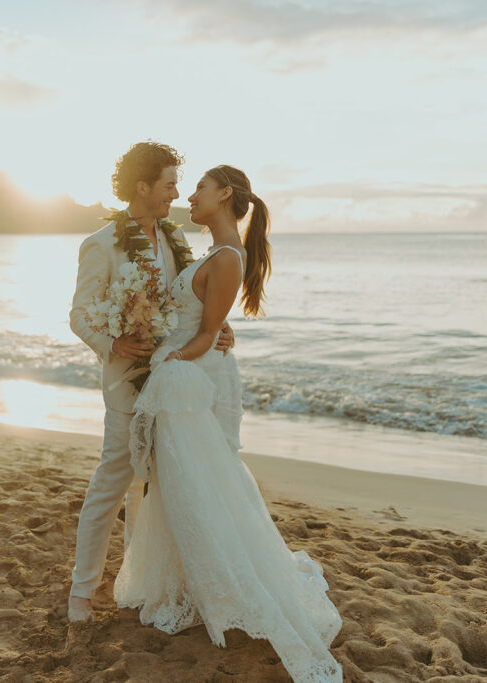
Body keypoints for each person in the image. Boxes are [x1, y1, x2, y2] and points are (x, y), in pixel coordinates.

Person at [114, 165, 343, 682]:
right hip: (187, 376)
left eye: (198, 188)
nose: (190, 196)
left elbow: (204, 334)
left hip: (185, 382)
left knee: (196, 482)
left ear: (225, 195)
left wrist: (169, 363)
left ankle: (227, 585)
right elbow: (205, 321)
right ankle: (194, 582)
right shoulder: (218, 255)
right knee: (188, 482)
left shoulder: (227, 256)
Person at [67, 142, 234, 623]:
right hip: (127, 385)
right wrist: (113, 345)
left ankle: (147, 583)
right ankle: (82, 592)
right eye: (168, 184)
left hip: (174, 383)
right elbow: (79, 316)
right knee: (111, 485)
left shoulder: (175, 239)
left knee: (159, 489)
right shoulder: (99, 245)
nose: (176, 194)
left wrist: (218, 326)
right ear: (142, 187)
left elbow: (192, 302)